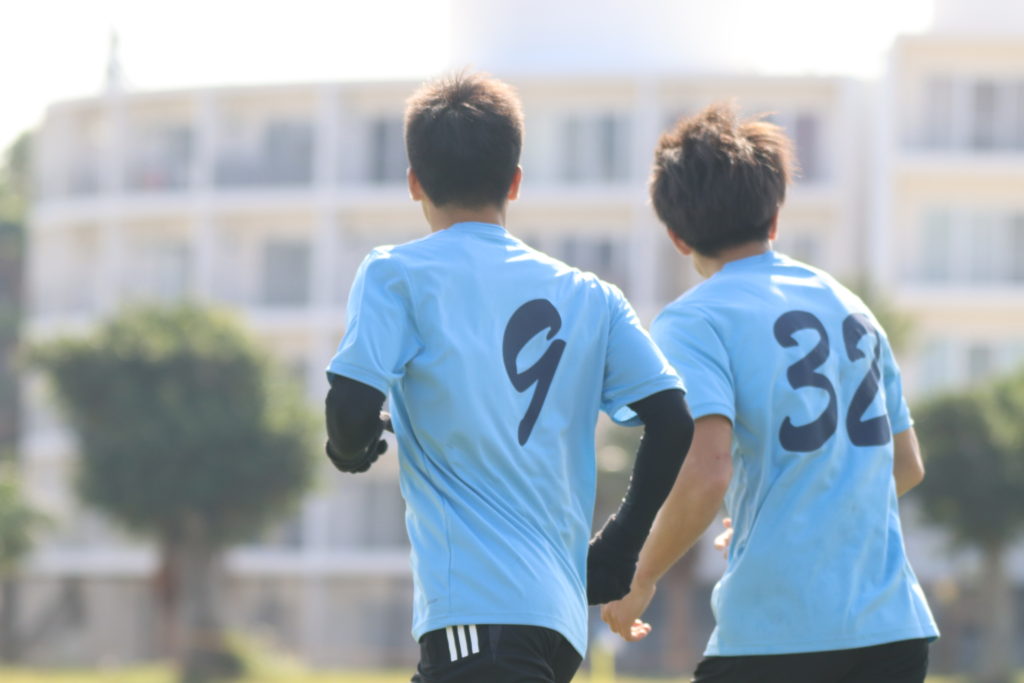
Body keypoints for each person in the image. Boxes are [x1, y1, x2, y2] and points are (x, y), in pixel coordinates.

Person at [323, 71, 694, 683]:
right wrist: (620, 545)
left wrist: (351, 448)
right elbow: (673, 419)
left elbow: (349, 408)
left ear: (414, 182)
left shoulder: (397, 273)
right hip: (558, 625)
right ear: (515, 182)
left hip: (478, 614)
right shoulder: (592, 296)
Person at [600, 103, 939, 682]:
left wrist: (640, 575)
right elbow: (906, 466)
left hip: (780, 630)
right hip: (895, 631)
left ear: (677, 236)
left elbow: (707, 474)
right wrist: (782, 509)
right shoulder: (851, 308)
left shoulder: (694, 319)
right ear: (774, 217)